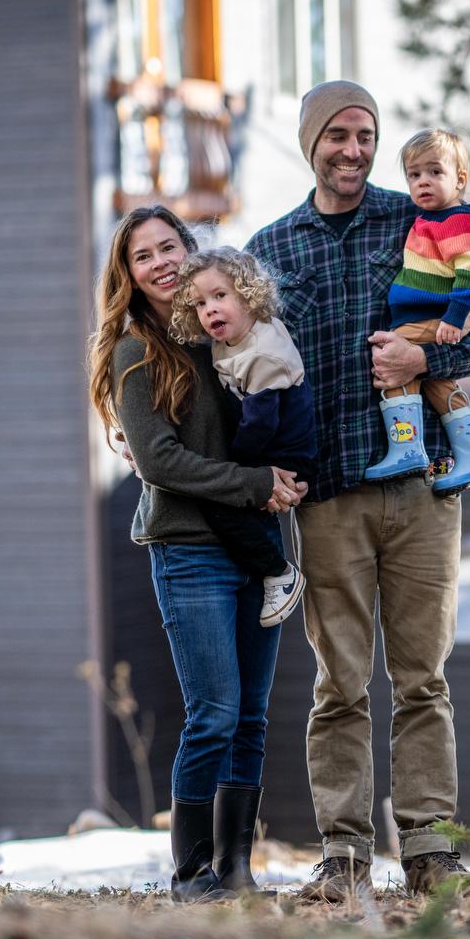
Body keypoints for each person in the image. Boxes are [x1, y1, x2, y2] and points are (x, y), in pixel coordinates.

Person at [244, 81, 470, 900]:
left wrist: (424, 361)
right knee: (341, 685)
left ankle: (429, 848)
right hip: (328, 497)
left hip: (425, 488)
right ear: (310, 144)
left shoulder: (421, 218)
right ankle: (346, 854)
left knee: (424, 677)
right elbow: (243, 369)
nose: (353, 150)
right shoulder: (272, 248)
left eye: (365, 135)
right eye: (338, 136)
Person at [86, 205, 307, 902]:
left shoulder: (223, 330)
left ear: (191, 249)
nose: (159, 263)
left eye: (168, 246)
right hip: (190, 551)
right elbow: (160, 461)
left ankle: (237, 871)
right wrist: (255, 482)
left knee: (251, 717)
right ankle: (191, 875)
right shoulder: (135, 352)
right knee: (212, 713)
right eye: (141, 256)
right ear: (127, 275)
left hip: (259, 547)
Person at [169, 246, 318, 627]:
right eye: (200, 304)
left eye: (220, 296)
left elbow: (260, 425)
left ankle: (278, 573)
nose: (210, 310)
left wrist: (233, 470)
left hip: (286, 451)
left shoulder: (263, 354)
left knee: (221, 504)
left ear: (249, 295)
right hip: (268, 442)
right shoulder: (235, 337)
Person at [364, 127, 470, 495]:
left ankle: (406, 447)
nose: (423, 181)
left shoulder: (461, 222)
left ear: (460, 179)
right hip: (422, 318)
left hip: (428, 319)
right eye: (414, 174)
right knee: (441, 387)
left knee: (394, 368)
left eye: (435, 172)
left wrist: (454, 318)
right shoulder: (429, 219)